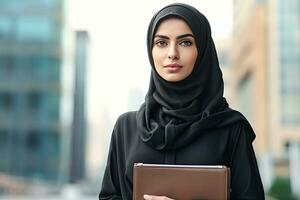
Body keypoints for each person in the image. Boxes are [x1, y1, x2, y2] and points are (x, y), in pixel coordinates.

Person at [99, 3, 265, 200]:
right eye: (161, 42)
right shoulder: (126, 128)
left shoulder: (231, 128)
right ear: (150, 51)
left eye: (185, 42)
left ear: (202, 51)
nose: (172, 53)